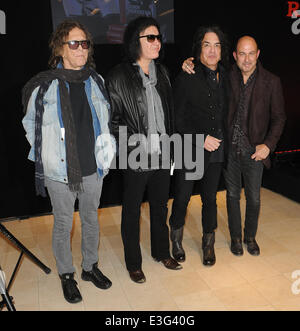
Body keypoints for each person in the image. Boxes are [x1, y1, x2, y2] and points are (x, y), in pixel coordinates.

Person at [22, 19, 116, 304]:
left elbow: (106, 120)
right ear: (60, 48)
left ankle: (90, 268)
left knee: (91, 220)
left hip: (93, 168)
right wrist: (48, 155)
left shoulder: (96, 81)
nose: (80, 49)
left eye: (84, 43)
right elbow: (30, 124)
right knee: (63, 224)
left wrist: (105, 155)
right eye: (73, 43)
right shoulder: (44, 85)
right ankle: (67, 274)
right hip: (59, 172)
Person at [183, 35, 286, 256]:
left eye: (251, 53)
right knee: (231, 196)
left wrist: (268, 145)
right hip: (229, 149)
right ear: (234, 56)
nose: (247, 59)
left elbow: (279, 118)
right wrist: (187, 62)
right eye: (242, 53)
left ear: (258, 54)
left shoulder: (271, 82)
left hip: (255, 151)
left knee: (254, 198)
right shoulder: (226, 77)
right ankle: (236, 239)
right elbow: (205, 69)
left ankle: (250, 236)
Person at [106, 16, 182, 284]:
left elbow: (170, 112)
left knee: (160, 207)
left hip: (163, 152)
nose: (157, 42)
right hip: (136, 155)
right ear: (135, 41)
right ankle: (133, 263)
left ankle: (162, 252)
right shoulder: (117, 76)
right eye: (150, 37)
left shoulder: (163, 73)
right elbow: (112, 122)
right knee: (132, 211)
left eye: (159, 37)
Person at [169, 26, 230, 266]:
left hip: (216, 151)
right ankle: (175, 238)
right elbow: (178, 119)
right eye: (207, 44)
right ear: (199, 48)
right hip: (190, 149)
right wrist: (200, 137)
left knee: (210, 199)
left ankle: (208, 243)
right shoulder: (187, 76)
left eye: (217, 45)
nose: (212, 50)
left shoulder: (227, 77)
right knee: (183, 197)